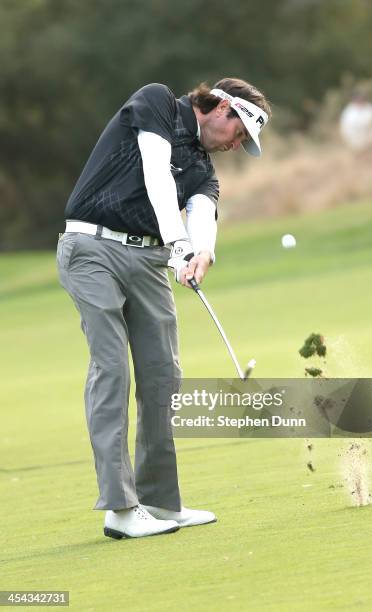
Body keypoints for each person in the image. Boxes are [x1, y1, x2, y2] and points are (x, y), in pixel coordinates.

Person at [57, 78, 271, 539]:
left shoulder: (204, 169)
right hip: (93, 248)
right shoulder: (158, 104)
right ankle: (120, 508)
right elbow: (155, 169)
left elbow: (202, 211)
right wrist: (177, 242)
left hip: (150, 261)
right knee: (112, 369)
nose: (237, 145)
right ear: (221, 110)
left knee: (162, 375)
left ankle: (159, 501)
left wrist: (200, 252)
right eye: (239, 133)